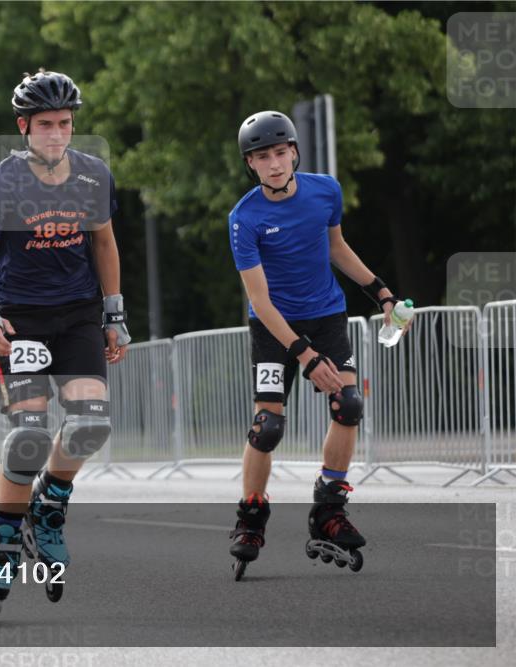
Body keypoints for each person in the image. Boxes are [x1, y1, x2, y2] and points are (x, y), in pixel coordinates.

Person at [0, 69, 130, 616]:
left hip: (79, 314)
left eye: (65, 123)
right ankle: (2, 539)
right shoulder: (3, 183)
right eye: (45, 125)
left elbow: (104, 244)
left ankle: (51, 505)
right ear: (24, 128)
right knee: (29, 439)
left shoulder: (93, 177)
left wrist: (114, 313)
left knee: (90, 424)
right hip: (21, 319)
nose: (57, 134)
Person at [227, 110, 411, 578]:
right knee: (268, 425)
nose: (273, 163)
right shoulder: (244, 218)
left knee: (348, 404)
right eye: (262, 156)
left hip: (327, 314)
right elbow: (260, 301)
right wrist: (304, 355)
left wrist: (382, 292)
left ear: (294, 152)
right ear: (251, 164)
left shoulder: (326, 190)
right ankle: (251, 515)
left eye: (280, 152)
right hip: (273, 325)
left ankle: (328, 508)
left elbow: (336, 247)